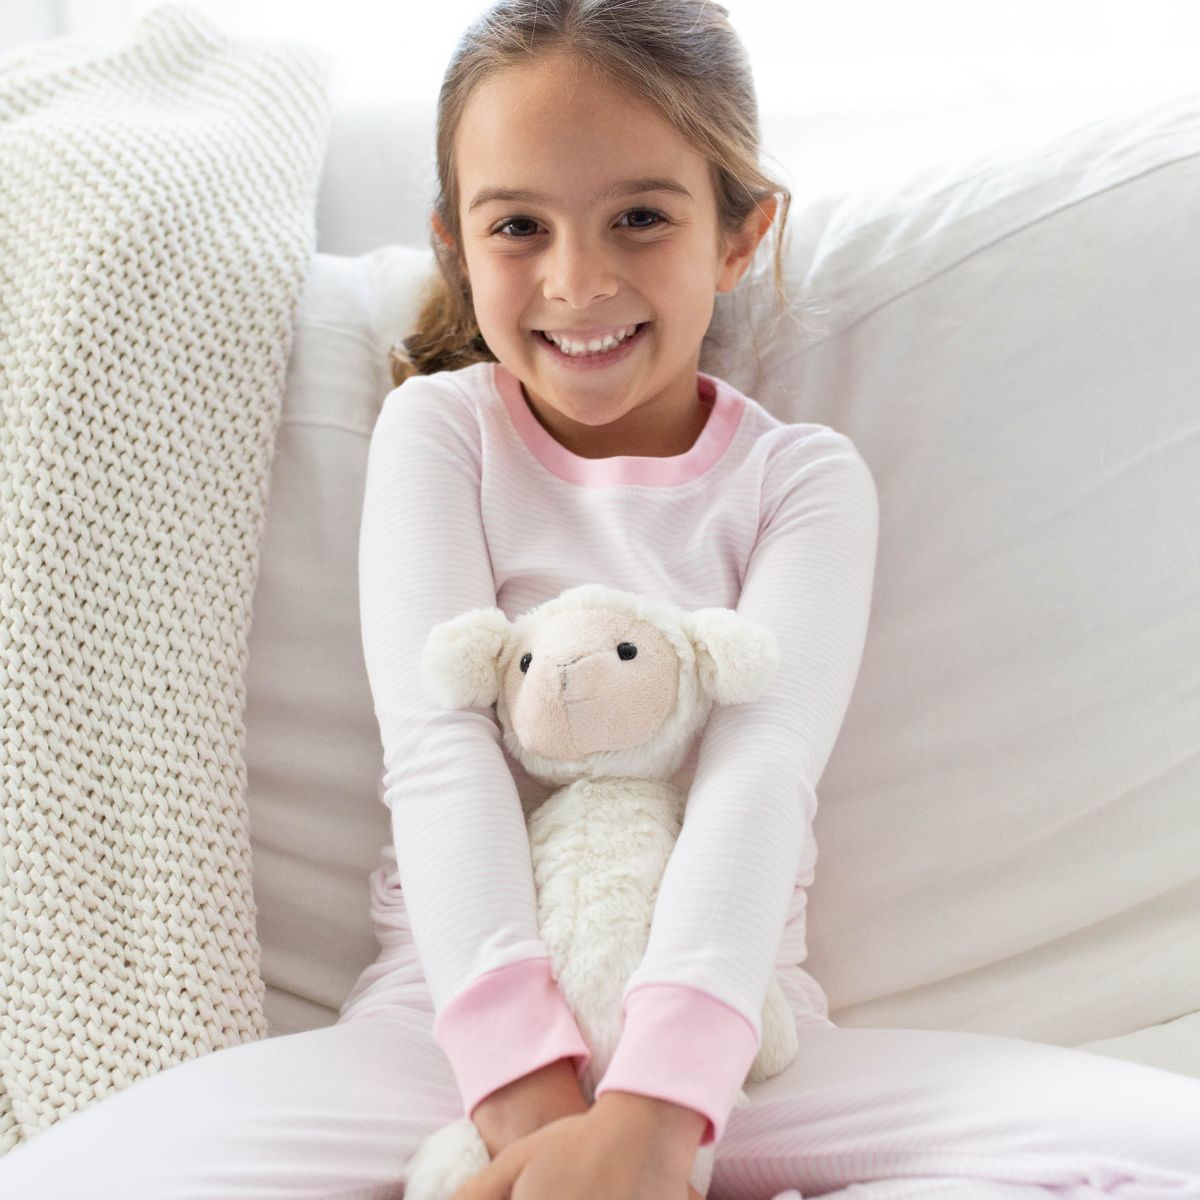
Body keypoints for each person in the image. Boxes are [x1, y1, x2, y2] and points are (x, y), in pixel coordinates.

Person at [3, 2, 1199, 1198]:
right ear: (456, 247)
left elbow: (760, 775)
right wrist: (526, 1103)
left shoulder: (803, 482)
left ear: (740, 236)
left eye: (640, 217)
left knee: (1159, 1150)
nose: (579, 282)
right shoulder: (442, 433)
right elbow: (437, 754)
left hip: (742, 1047)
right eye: (520, 225)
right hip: (439, 1040)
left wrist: (658, 1115)